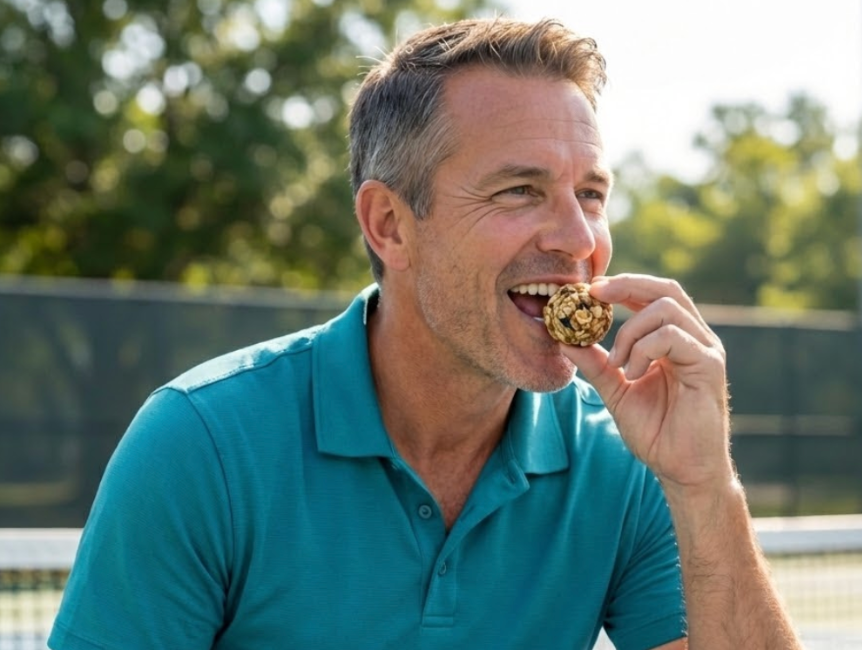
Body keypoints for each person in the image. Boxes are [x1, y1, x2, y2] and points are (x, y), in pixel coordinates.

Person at [49, 17, 802, 650]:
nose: (580, 239)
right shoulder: (201, 446)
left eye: (593, 195)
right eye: (520, 190)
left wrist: (706, 486)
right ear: (389, 225)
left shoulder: (625, 458)